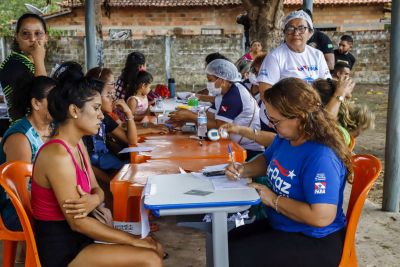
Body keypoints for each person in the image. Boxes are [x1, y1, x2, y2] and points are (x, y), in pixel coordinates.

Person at [31, 76, 163, 266]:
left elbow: (97, 190)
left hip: (83, 238)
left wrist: (94, 198)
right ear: (74, 111)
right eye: (95, 108)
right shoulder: (57, 155)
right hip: (65, 250)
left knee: (156, 247)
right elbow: (78, 222)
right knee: (150, 258)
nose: (101, 115)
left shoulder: (77, 145)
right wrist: (132, 240)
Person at [226, 77, 352, 266]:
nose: (271, 125)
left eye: (275, 121)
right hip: (284, 224)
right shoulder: (286, 138)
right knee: (228, 240)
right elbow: (268, 160)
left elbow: (321, 216)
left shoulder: (321, 156)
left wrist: (273, 199)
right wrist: (243, 169)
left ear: (299, 117)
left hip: (315, 239)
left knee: (237, 255)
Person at [169, 59, 264, 160]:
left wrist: (190, 116)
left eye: (210, 80)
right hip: (234, 144)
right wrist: (185, 119)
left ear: (222, 80)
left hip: (249, 151)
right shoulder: (224, 94)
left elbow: (219, 126)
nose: (208, 83)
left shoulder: (234, 95)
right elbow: (209, 116)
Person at [0, 76, 56, 231]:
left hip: (42, 201)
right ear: (36, 103)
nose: (59, 105)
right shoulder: (21, 137)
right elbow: (19, 192)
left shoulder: (54, 128)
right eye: (53, 100)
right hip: (15, 209)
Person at [84, 67, 137, 173]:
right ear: (96, 94)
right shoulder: (84, 122)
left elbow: (130, 140)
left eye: (113, 94)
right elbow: (86, 166)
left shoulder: (105, 118)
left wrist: (129, 113)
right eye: (109, 94)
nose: (113, 98)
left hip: (111, 168)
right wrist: (109, 181)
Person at [0, 13, 48, 122]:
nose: (32, 39)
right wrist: (39, 60)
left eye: (38, 33)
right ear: (17, 37)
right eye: (25, 34)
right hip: (24, 132)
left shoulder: (28, 62)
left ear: (46, 37)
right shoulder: (13, 65)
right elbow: (42, 99)